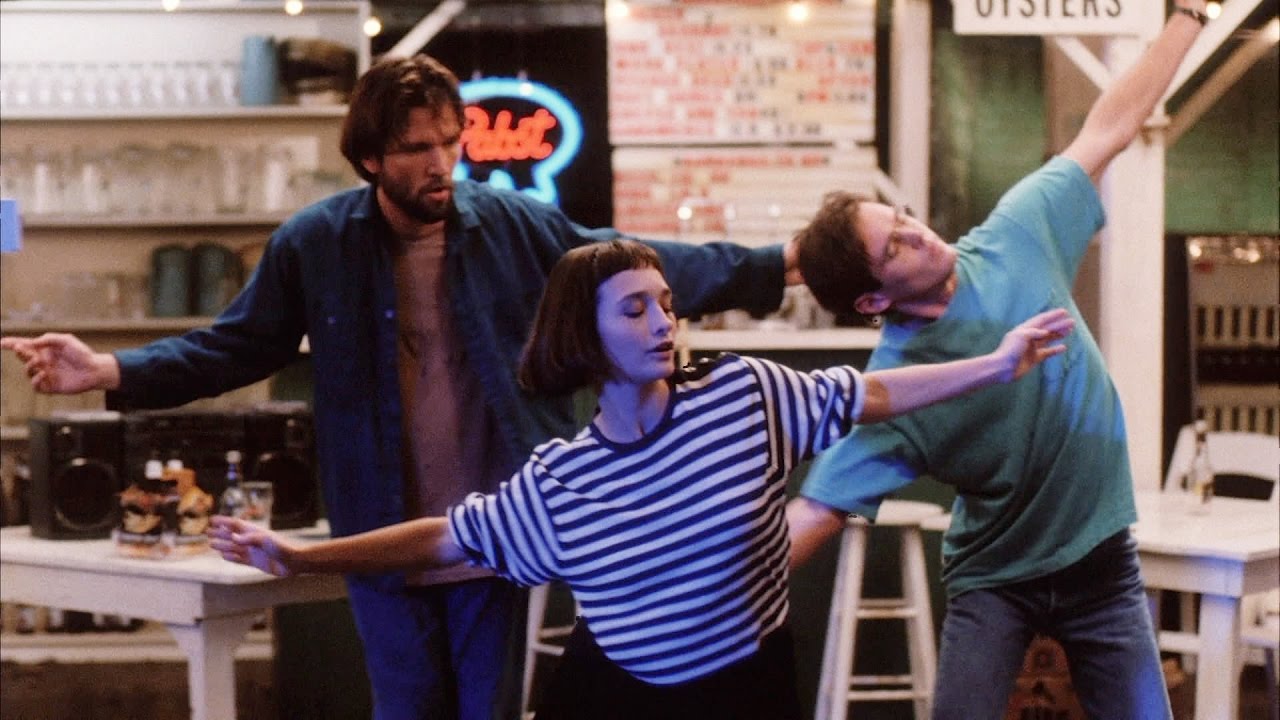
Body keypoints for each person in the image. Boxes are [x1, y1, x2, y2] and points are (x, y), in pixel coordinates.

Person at [1, 55, 803, 720]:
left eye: (450, 142)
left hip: (497, 534)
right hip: (382, 531)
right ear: (372, 157)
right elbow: (237, 346)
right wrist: (107, 369)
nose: (440, 163)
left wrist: (776, 265)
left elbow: (628, 257)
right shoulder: (317, 243)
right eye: (418, 147)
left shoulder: (513, 224)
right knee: (408, 710)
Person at [209, 239, 1075, 720]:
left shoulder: (743, 395)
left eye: (666, 302)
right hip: (616, 699)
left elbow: (870, 392)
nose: (664, 321)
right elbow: (442, 535)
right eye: (636, 308)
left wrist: (996, 366)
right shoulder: (561, 481)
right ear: (583, 336)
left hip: (749, 687)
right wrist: (302, 555)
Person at [784, 6, 1210, 719]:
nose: (918, 235)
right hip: (996, 580)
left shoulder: (1016, 233)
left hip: (1101, 560)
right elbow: (815, 511)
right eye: (895, 250)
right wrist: (675, 601)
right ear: (870, 300)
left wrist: (1191, 15)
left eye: (903, 221)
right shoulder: (898, 387)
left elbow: (1108, 126)